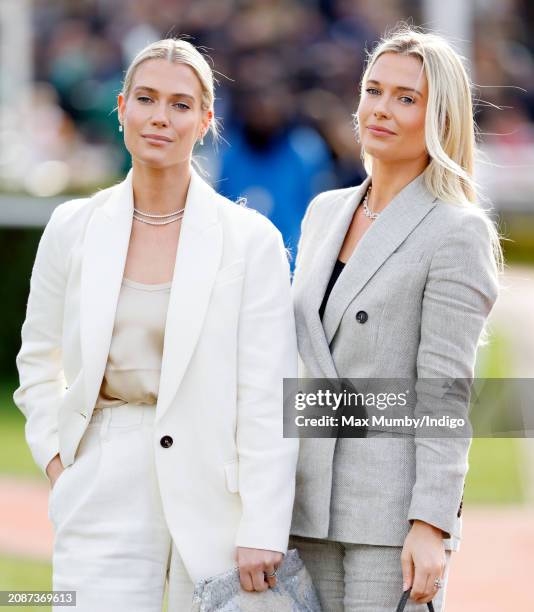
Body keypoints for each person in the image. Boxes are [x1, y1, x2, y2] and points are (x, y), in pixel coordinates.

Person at [14, 38, 298, 612]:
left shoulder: (251, 240)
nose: (160, 117)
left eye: (180, 104)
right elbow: (36, 360)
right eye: (145, 99)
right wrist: (59, 459)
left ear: (205, 120)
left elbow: (269, 393)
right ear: (121, 108)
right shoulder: (73, 227)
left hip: (218, 492)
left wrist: (265, 521)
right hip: (100, 479)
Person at [289, 26, 500, 611]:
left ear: (443, 119)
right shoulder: (324, 212)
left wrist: (431, 522)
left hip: (389, 518)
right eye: (373, 90)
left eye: (406, 98)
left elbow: (445, 392)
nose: (381, 108)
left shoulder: (457, 230)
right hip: (303, 503)